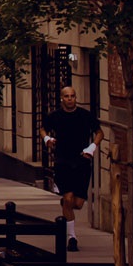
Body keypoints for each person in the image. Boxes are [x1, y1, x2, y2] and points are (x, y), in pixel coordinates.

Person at [41, 86, 101, 252]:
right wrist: (47, 138)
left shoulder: (84, 115)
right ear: (62, 98)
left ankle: (66, 205)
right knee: (68, 198)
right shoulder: (55, 116)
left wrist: (92, 147)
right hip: (62, 161)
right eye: (66, 96)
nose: (70, 99)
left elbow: (99, 132)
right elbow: (43, 128)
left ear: (76, 98)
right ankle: (72, 237)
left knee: (78, 203)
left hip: (81, 161)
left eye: (72, 96)